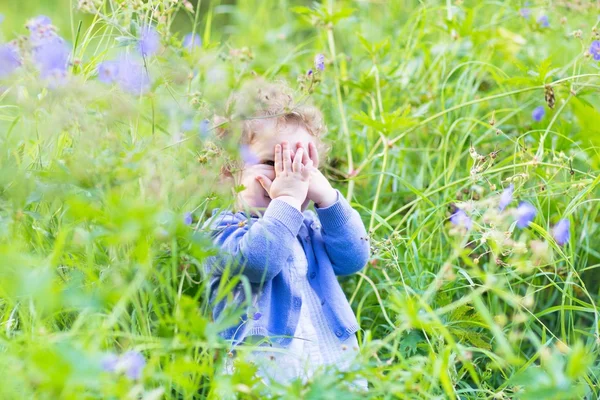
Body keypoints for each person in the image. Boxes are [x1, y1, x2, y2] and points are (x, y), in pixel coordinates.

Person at [203, 80, 369, 391]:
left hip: (332, 367)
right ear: (229, 171)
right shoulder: (223, 230)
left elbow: (354, 258)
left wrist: (328, 199)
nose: (287, 176)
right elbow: (259, 261)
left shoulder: (306, 227)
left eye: (300, 165)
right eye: (271, 162)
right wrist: (288, 201)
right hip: (266, 379)